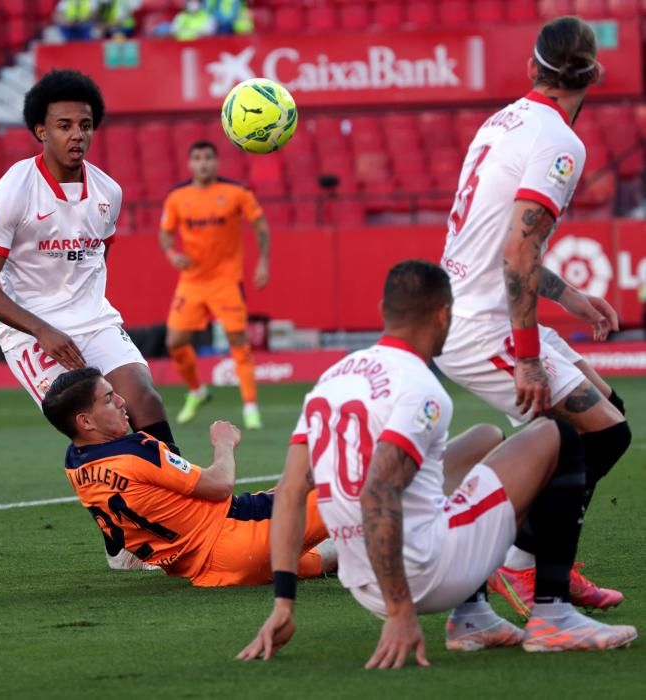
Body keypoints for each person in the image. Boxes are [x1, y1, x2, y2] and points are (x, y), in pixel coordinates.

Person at [238, 260, 637, 667]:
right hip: (424, 577)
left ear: (383, 311)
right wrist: (400, 613)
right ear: (444, 314)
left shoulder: (331, 379)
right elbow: (379, 490)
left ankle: (473, 618)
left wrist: (283, 604)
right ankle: (552, 615)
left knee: (484, 436)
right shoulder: (420, 388)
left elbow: (289, 490)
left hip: (361, 580)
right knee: (561, 434)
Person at [434, 16, 631, 617]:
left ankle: (536, 560)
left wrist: (568, 297)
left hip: (473, 305)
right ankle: (518, 564)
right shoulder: (560, 143)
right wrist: (526, 357)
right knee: (599, 436)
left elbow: (505, 243)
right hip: (479, 324)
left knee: (609, 413)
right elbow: (518, 249)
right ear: (595, 73)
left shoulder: (504, 120)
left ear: (531, 71)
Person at [0, 69, 179, 571]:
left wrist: (84, 318)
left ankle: (180, 512)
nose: (76, 134)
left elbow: (96, 258)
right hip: (29, 332)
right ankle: (120, 535)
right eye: (63, 125)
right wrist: (41, 328)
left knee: (143, 399)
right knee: (97, 424)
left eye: (84, 125)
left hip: (92, 318)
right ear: (41, 131)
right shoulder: (14, 190)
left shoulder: (109, 193)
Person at [42, 367, 334, 586]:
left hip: (206, 571)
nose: (121, 400)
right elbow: (219, 486)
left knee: (333, 549)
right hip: (239, 532)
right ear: (86, 421)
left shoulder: (74, 464)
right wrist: (224, 443)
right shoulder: (135, 450)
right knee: (347, 484)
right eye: (108, 399)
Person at [159, 140, 270, 429]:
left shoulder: (236, 192)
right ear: (189, 164)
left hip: (226, 281)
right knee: (175, 342)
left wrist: (263, 262)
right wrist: (172, 254)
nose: (203, 163)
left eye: (208, 157)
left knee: (238, 342)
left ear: (216, 162)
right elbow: (166, 234)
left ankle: (251, 407)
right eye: (197, 158)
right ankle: (197, 391)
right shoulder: (177, 197)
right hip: (192, 282)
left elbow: (261, 226)